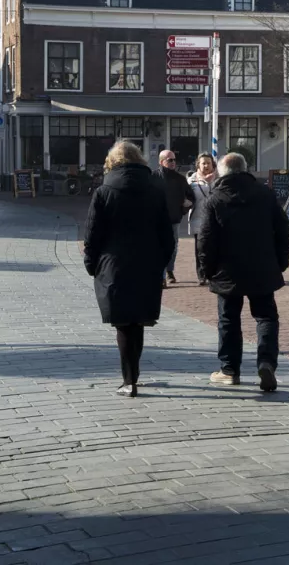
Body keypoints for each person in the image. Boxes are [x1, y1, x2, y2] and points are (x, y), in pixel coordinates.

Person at [82, 141, 172, 397]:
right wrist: (161, 261)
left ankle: (128, 379)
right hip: (147, 263)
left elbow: (93, 234)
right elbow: (167, 234)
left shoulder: (104, 191)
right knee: (138, 320)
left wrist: (92, 265)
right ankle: (135, 374)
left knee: (123, 323)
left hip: (114, 265)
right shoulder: (155, 190)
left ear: (112, 162)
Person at [197, 152, 289, 392]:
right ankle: (267, 362)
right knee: (266, 316)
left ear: (221, 172)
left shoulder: (215, 199)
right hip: (262, 267)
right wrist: (280, 262)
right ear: (245, 169)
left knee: (228, 318)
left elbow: (206, 241)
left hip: (227, 271)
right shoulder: (265, 194)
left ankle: (229, 370)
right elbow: (284, 232)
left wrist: (205, 270)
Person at [156, 150, 194, 285]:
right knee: (159, 248)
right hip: (157, 221)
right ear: (161, 162)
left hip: (174, 220)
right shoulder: (153, 177)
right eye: (169, 160)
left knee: (172, 247)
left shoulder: (180, 179)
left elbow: (191, 197)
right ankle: (161, 278)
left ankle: (169, 270)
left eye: (174, 160)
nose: (173, 162)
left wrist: (184, 208)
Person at [186, 155, 218, 233]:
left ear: (212, 164)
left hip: (216, 221)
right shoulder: (191, 181)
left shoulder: (219, 180)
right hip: (197, 221)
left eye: (208, 163)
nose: (206, 165)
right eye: (203, 163)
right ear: (198, 165)